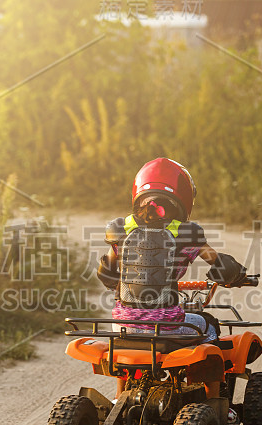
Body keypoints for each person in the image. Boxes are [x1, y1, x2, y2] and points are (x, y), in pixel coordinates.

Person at [96, 157, 248, 403]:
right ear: (184, 197)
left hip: (123, 324)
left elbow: (106, 273)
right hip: (167, 325)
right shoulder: (185, 235)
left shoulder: (122, 231)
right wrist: (237, 275)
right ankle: (215, 401)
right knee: (208, 326)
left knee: (125, 336)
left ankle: (119, 397)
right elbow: (222, 265)